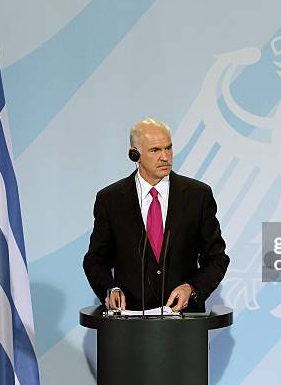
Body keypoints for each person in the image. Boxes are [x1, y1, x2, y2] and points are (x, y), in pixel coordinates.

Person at [83, 118, 229, 312]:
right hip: (129, 323)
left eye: (168, 148)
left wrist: (192, 288)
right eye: (155, 150)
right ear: (134, 154)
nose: (165, 157)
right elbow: (95, 260)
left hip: (184, 323)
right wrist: (110, 289)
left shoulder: (197, 196)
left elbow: (217, 258)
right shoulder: (110, 200)